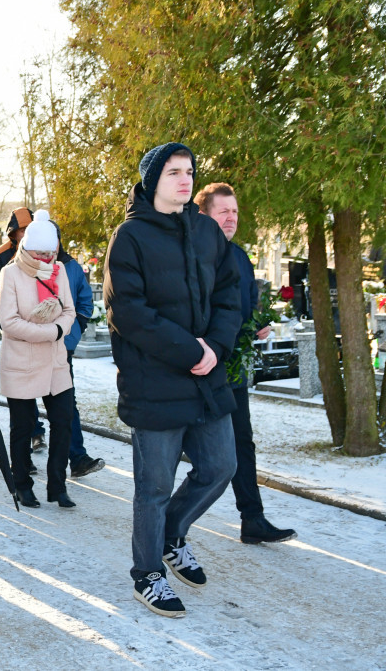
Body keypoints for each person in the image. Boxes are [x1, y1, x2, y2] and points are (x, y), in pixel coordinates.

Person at [104, 142, 240, 618]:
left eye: (189, 171)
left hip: (206, 376)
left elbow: (229, 294)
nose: (185, 180)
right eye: (174, 172)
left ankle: (171, 534)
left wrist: (215, 347)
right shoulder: (130, 237)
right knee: (154, 486)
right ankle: (147, 574)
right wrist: (192, 351)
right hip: (155, 381)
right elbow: (128, 313)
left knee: (220, 466)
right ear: (152, 181)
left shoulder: (206, 230)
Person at [196, 182, 297, 545]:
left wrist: (257, 325)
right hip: (196, 368)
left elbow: (246, 306)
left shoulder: (240, 257)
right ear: (204, 215)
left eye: (235, 211)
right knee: (183, 449)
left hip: (232, 369)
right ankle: (163, 524)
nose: (231, 218)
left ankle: (252, 519)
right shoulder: (190, 255)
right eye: (223, 211)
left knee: (242, 442)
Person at [0, 211, 76, 508]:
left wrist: (59, 329)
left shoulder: (59, 270)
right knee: (23, 426)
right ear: (27, 248)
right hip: (22, 361)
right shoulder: (11, 273)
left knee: (63, 421)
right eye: (40, 252)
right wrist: (49, 332)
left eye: (50, 252)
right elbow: (9, 322)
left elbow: (69, 310)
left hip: (55, 361)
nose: (46, 257)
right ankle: (22, 484)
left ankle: (58, 485)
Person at [55, 222, 106, 477]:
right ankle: (24, 458)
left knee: (67, 404)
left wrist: (74, 331)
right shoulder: (22, 267)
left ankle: (77, 458)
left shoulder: (71, 267)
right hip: (30, 350)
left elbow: (85, 303)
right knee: (27, 405)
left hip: (62, 348)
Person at [0, 208, 34, 291]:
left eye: (30, 230)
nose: (27, 234)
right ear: (14, 233)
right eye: (23, 231)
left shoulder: (45, 251)